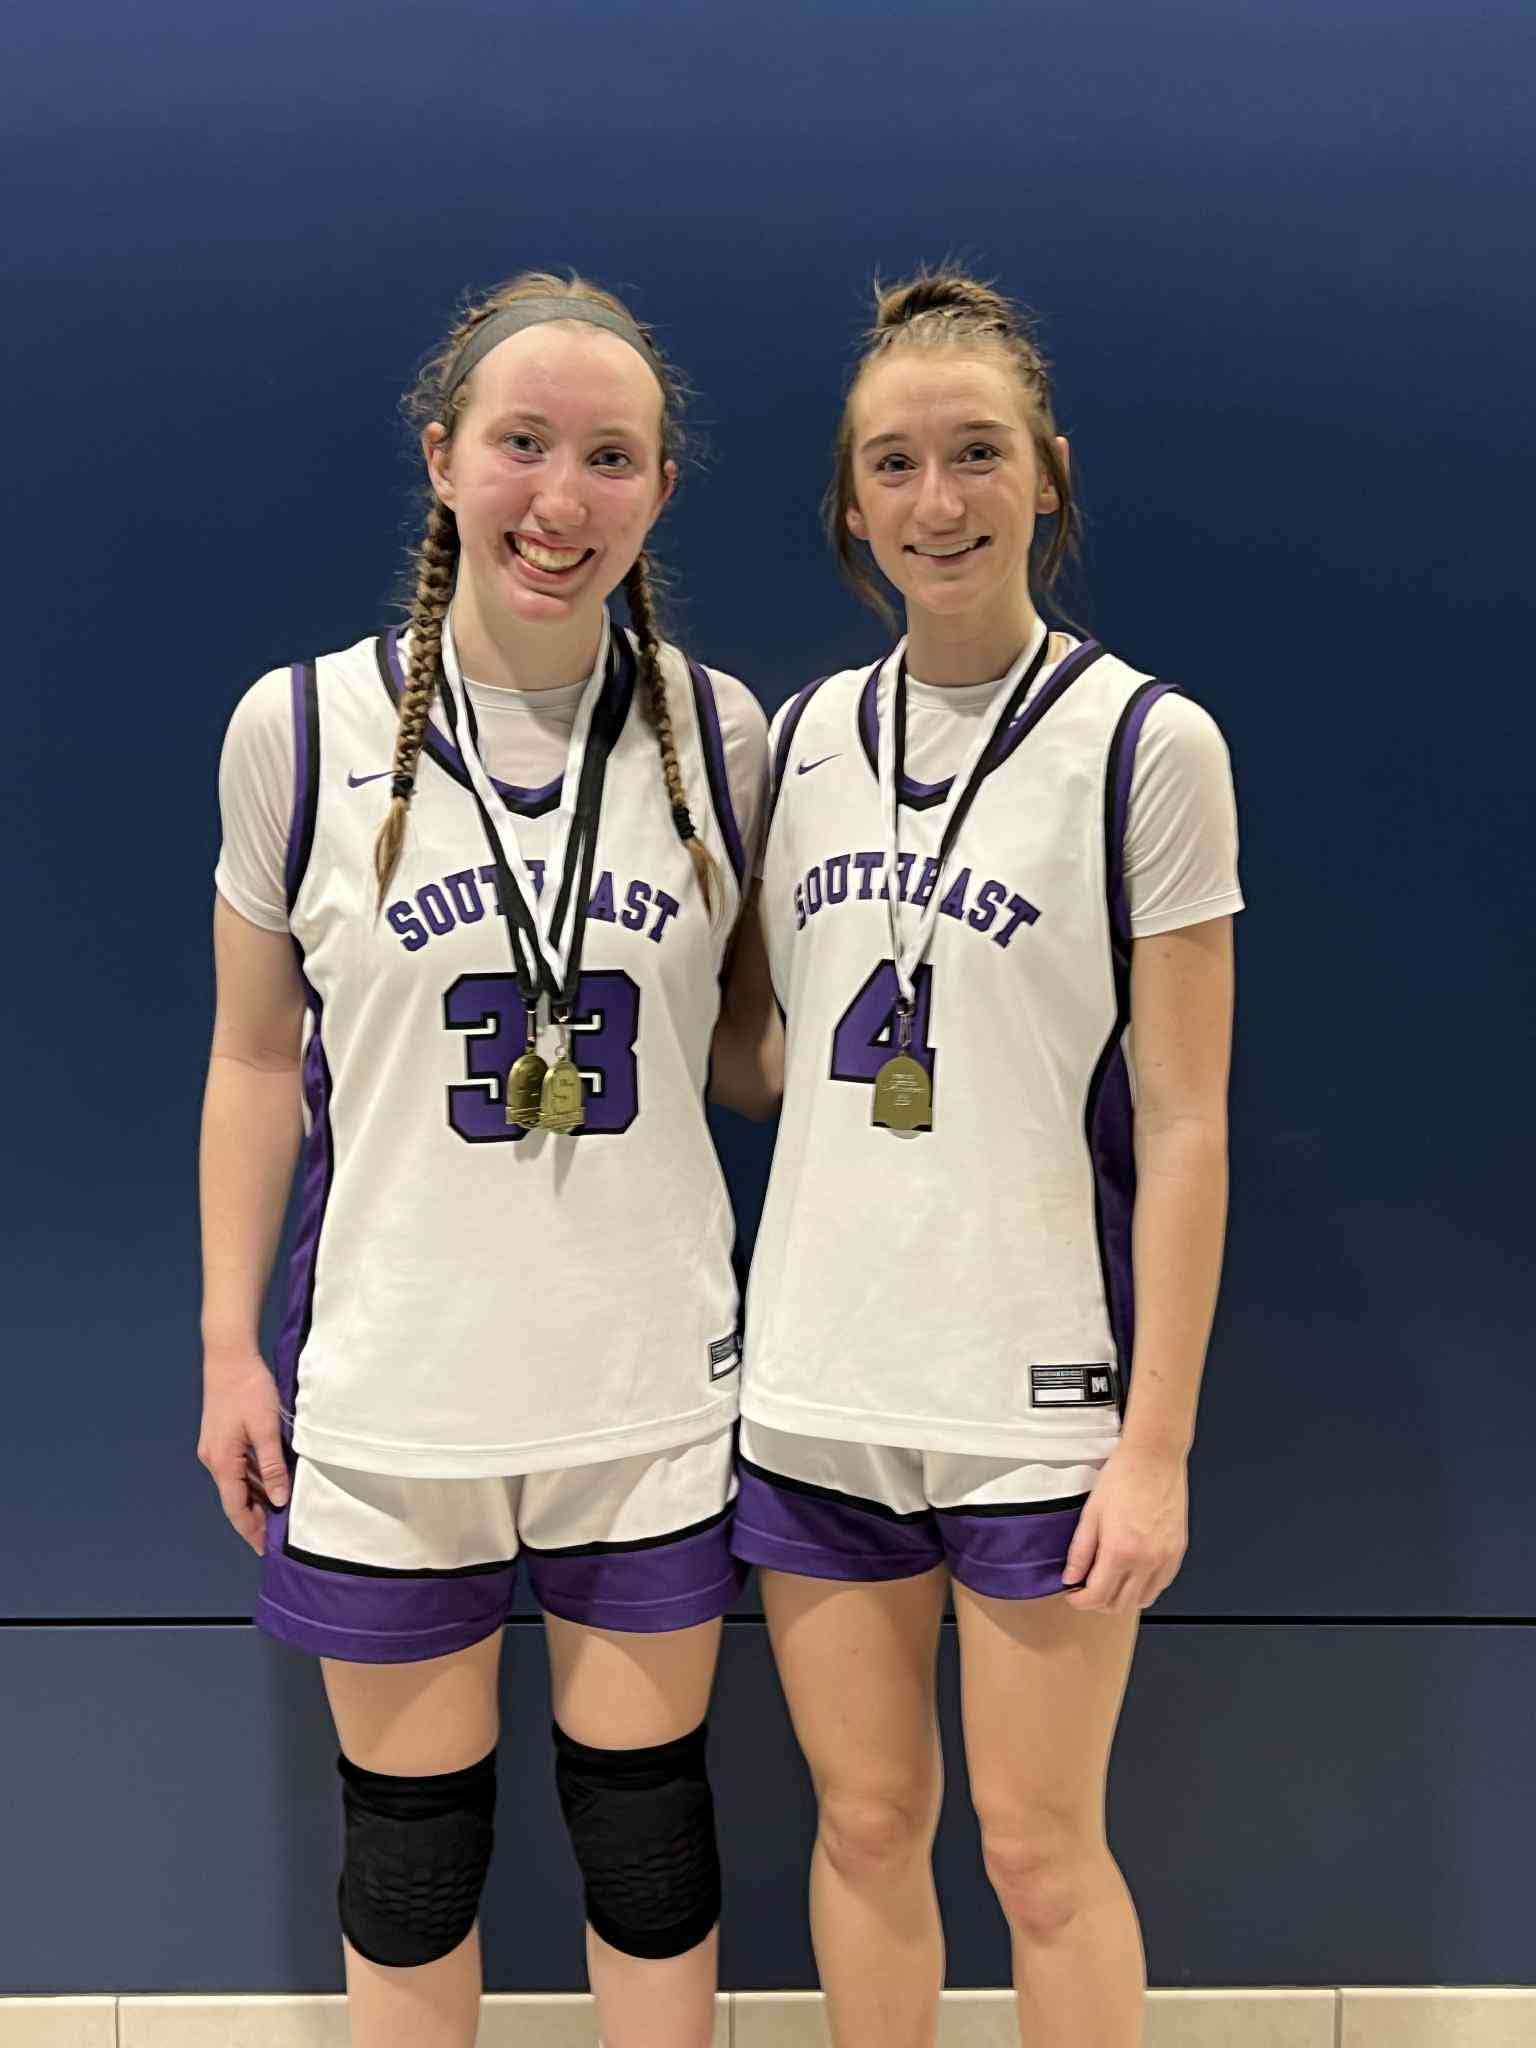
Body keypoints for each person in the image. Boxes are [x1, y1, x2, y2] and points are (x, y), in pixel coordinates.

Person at [198, 270, 768, 2048]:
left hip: (645, 1389)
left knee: (650, 1833)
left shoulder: (725, 735)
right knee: (414, 1856)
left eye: (612, 454)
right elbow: (250, 1058)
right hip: (395, 1396)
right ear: (442, 459)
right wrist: (230, 1348)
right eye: (522, 444)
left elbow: (754, 1051)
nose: (562, 495)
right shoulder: (296, 730)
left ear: (661, 490)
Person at [728, 269, 1243, 2047]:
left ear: (1047, 475)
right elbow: (757, 1044)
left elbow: (1185, 1123)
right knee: (867, 1829)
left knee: (1039, 1853)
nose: (936, 502)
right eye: (895, 464)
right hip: (817, 1383)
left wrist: (1154, 1448)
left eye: (975, 455)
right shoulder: (792, 744)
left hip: (1039, 1401)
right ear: (850, 502)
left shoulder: (1147, 746)